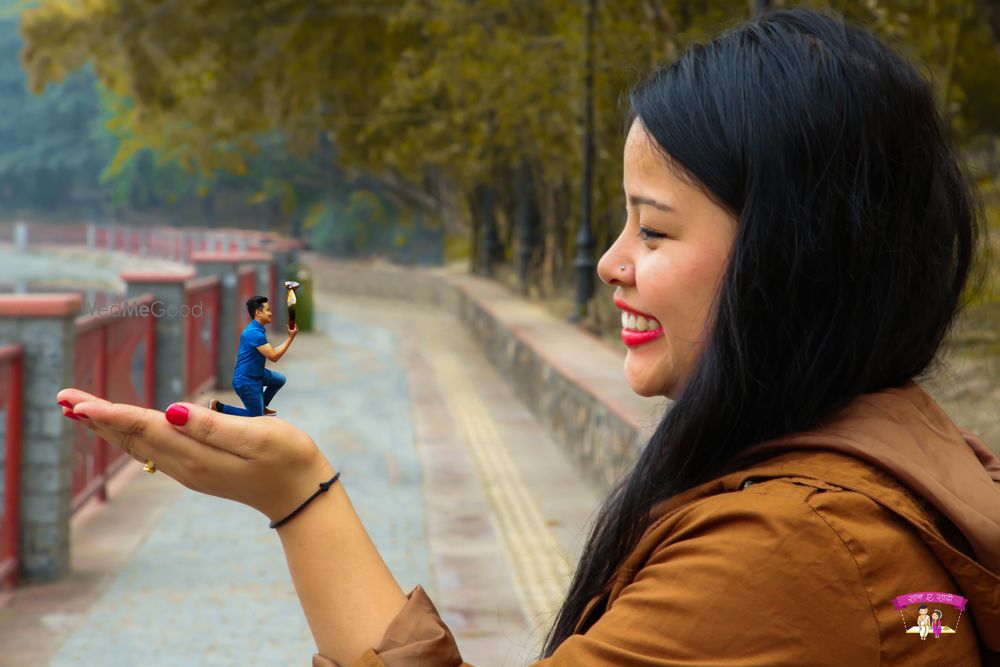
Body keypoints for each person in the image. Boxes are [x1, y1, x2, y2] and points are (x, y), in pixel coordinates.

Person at [56, 8, 1000, 666]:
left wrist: (298, 496)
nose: (609, 262)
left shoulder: (792, 553)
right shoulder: (907, 459)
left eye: (655, 228)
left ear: (794, 255)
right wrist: (297, 487)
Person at [208, 295, 296, 417]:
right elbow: (274, 356)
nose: (270, 313)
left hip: (257, 374)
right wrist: (290, 338)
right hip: (246, 381)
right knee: (255, 417)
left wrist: (289, 338)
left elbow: (272, 352)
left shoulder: (257, 330)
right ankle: (219, 407)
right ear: (258, 313)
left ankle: (262, 406)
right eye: (268, 310)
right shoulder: (254, 334)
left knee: (279, 380)